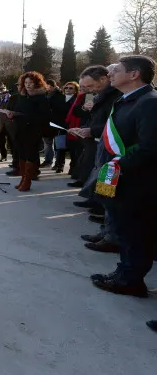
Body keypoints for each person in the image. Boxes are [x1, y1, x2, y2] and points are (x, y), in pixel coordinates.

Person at [89, 56, 157, 299]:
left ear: (134, 74)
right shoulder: (126, 100)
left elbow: (150, 147)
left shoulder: (149, 103)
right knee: (121, 226)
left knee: (135, 233)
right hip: (116, 176)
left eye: (117, 69)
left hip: (134, 182)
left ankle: (131, 280)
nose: (111, 73)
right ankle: (124, 273)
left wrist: (118, 164)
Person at [0, 72, 50, 192]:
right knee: (21, 154)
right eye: (26, 83)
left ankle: (28, 181)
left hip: (33, 130)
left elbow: (44, 116)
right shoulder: (21, 96)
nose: (28, 85)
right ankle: (23, 179)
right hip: (19, 129)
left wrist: (26, 117)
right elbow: (16, 110)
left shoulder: (41, 97)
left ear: (37, 83)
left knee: (30, 155)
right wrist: (11, 114)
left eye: (31, 83)